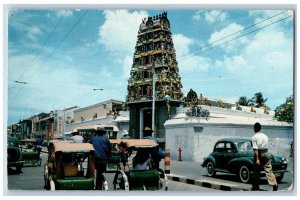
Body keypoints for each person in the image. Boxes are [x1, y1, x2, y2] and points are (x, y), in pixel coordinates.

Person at [251, 122, 278, 191]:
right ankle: (274, 184)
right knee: (269, 170)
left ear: (254, 128)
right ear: (260, 128)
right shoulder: (265, 136)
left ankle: (255, 186)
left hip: (259, 153)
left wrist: (257, 159)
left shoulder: (254, 137)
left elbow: (256, 149)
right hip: (266, 153)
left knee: (256, 171)